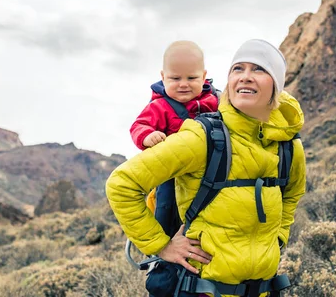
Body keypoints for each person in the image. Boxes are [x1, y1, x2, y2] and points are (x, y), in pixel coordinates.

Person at [107, 39, 306, 296]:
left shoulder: (288, 146)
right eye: (238, 69)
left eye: (259, 69)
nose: (245, 77)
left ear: (276, 85)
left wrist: (278, 237)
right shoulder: (203, 137)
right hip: (201, 289)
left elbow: (291, 195)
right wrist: (162, 246)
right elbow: (122, 184)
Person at [130, 40, 219, 237]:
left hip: (211, 173)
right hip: (173, 176)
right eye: (175, 78)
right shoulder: (160, 106)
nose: (184, 84)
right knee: (166, 208)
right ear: (163, 77)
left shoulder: (216, 101)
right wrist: (148, 136)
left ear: (204, 76)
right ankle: (163, 254)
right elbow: (138, 126)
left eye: (192, 77)